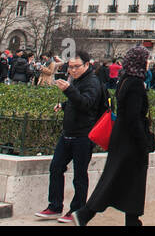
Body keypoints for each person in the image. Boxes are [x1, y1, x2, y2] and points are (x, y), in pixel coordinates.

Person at [76, 47, 153, 226]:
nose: (148, 63)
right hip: (130, 142)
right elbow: (134, 118)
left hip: (122, 138)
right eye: (146, 60)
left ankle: (131, 220)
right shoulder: (134, 84)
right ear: (139, 62)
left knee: (123, 180)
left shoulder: (125, 79)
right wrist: (143, 142)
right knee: (116, 180)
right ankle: (85, 214)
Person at [36, 51, 106, 222]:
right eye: (70, 67)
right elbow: (77, 101)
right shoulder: (78, 80)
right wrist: (64, 105)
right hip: (69, 133)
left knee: (80, 175)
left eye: (76, 67)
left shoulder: (93, 82)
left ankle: (77, 210)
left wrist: (68, 91)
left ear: (87, 65)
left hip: (84, 135)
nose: (72, 70)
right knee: (56, 167)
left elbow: (87, 103)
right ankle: (54, 206)